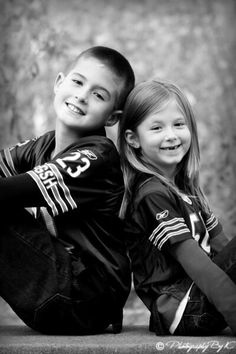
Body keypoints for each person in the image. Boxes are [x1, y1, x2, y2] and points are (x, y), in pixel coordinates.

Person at [0, 46, 135, 334]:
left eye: (99, 95)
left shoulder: (97, 156)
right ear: (58, 82)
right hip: (58, 288)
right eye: (77, 82)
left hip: (84, 299)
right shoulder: (43, 145)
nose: (82, 95)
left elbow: (9, 191)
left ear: (112, 117)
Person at [118, 79, 236, 336]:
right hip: (182, 307)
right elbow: (199, 266)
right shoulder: (151, 195)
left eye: (179, 124)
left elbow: (224, 250)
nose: (171, 135)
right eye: (157, 127)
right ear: (133, 139)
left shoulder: (186, 190)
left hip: (202, 296)